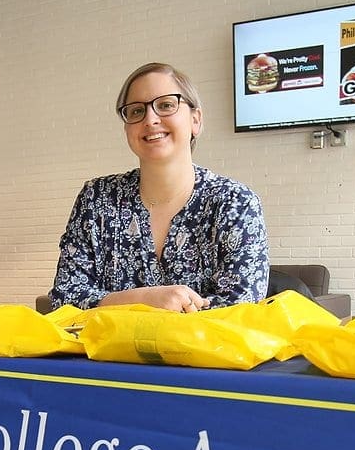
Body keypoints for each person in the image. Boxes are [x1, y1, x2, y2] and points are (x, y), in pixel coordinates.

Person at [48, 62, 269, 313]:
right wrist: (144, 300)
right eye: (136, 111)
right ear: (126, 127)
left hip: (201, 352)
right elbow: (65, 297)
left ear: (195, 120)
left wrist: (125, 308)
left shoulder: (235, 202)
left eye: (165, 105)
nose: (150, 119)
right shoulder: (96, 199)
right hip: (101, 353)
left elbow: (241, 307)